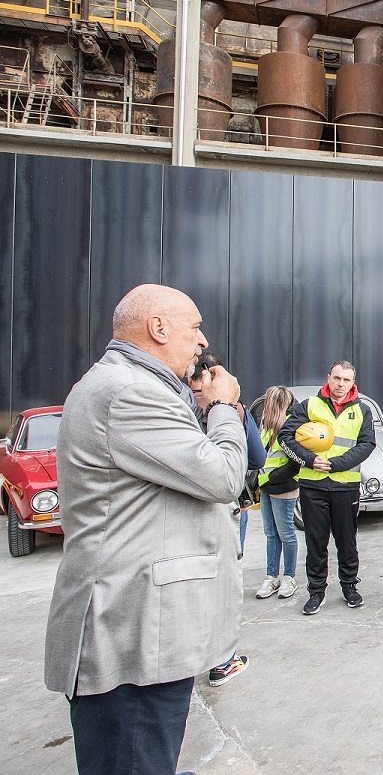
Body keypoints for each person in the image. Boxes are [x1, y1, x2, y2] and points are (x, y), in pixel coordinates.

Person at [44, 284, 247, 775]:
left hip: (144, 632)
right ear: (158, 328)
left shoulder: (132, 385)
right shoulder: (130, 392)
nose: (202, 341)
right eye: (194, 327)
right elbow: (222, 476)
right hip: (132, 635)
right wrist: (223, 408)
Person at [186, 352, 265, 689]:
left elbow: (258, 458)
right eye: (197, 392)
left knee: (209, 583)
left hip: (218, 509)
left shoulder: (186, 410)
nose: (202, 398)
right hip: (216, 508)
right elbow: (256, 457)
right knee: (217, 583)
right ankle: (219, 659)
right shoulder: (226, 411)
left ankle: (211, 658)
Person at [280, 361, 377, 615]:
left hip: (345, 486)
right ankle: (316, 592)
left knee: (347, 541)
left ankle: (350, 587)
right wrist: (310, 460)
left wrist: (335, 465)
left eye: (346, 380)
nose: (341, 384)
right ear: (328, 378)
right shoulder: (310, 405)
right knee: (316, 542)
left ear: (353, 382)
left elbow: (367, 444)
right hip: (313, 486)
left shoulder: (362, 410)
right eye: (337, 378)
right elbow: (285, 437)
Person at [187, 352, 267, 561]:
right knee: (230, 567)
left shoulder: (178, 405)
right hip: (231, 504)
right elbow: (258, 459)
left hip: (189, 507)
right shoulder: (235, 409)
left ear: (189, 379)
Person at [255, 386, 301, 601]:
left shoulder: (291, 427)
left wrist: (269, 479)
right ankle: (272, 577)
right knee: (271, 534)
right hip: (267, 486)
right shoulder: (268, 425)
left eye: (268, 402)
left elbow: (295, 464)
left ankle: (289, 577)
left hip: (283, 487)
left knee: (286, 534)